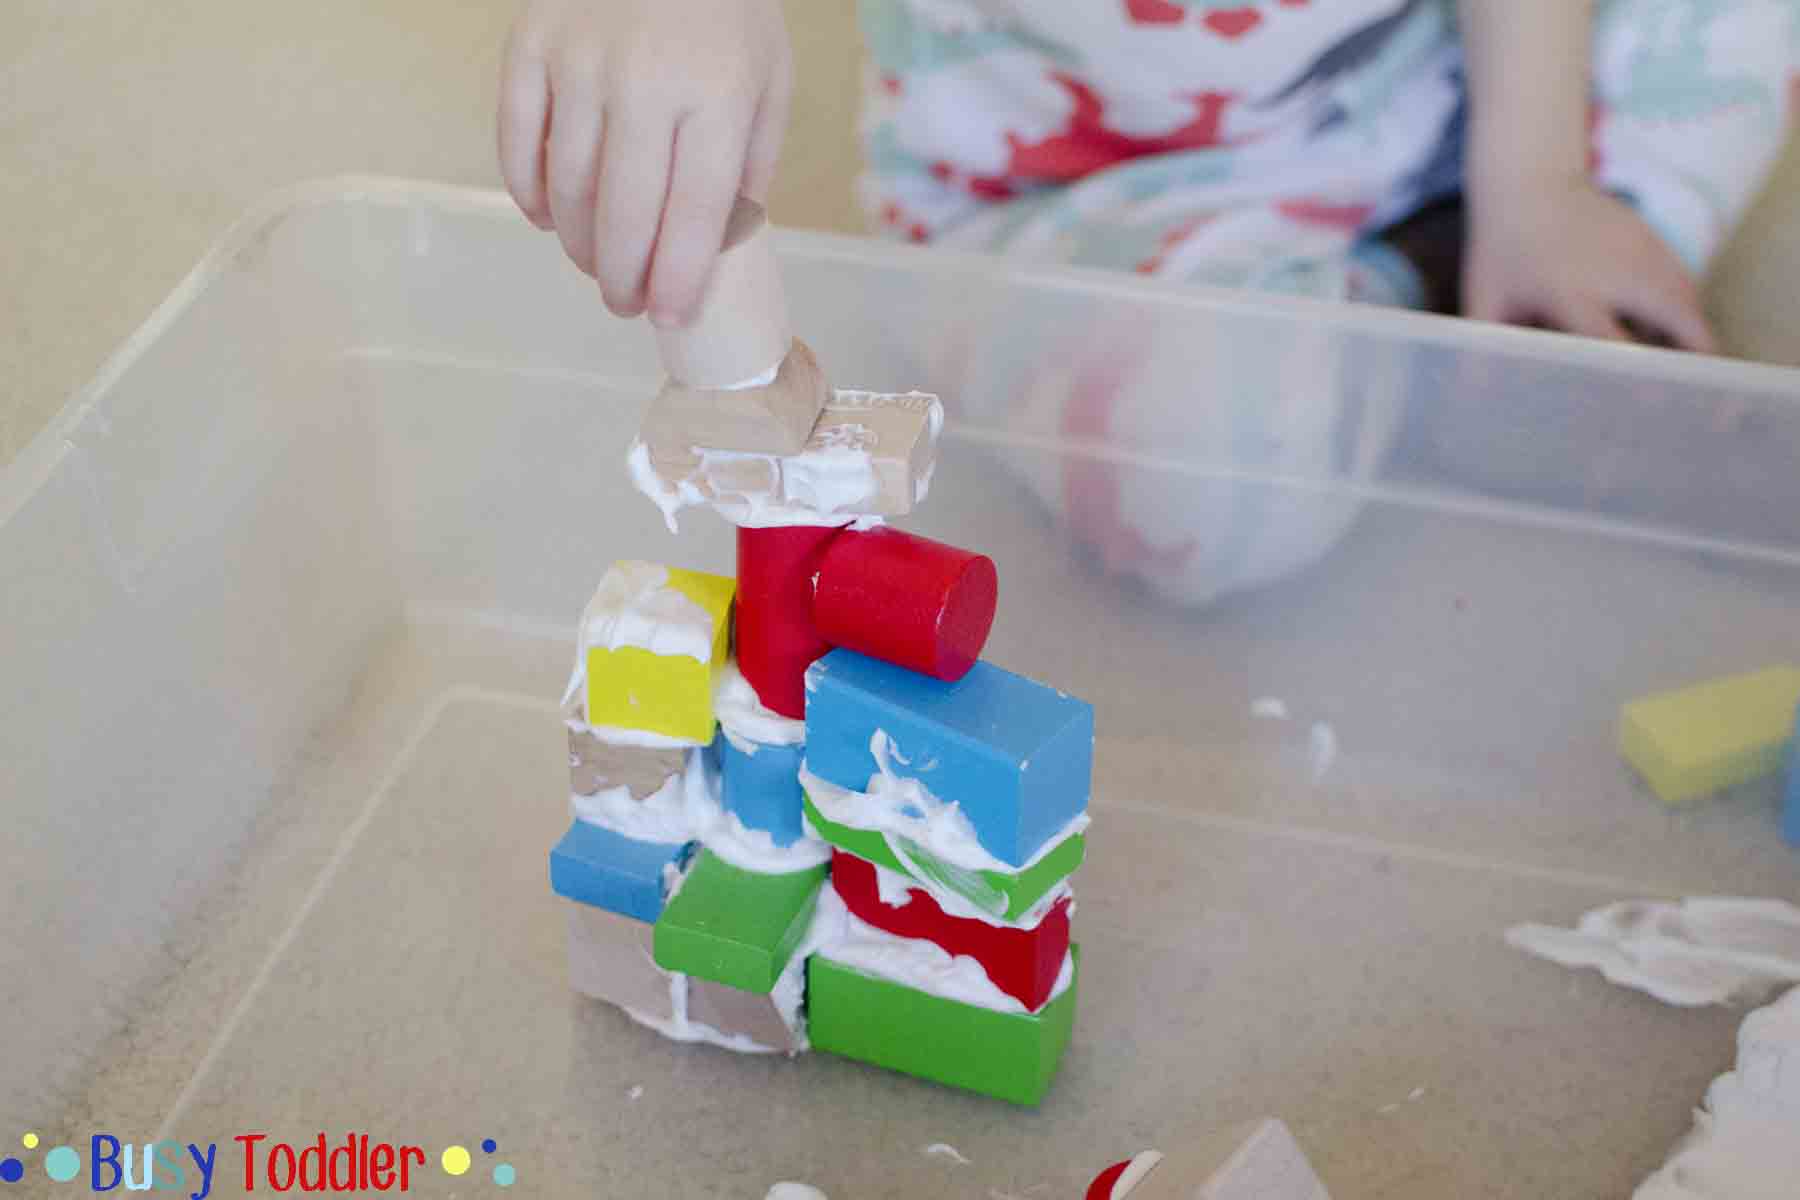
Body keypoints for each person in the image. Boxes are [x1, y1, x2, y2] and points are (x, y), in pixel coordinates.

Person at [497, 0, 1796, 604]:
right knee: (1193, 474)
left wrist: (1537, 179)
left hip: (1433, 91)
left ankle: (1497, 265)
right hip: (1067, 203)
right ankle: (1417, 308)